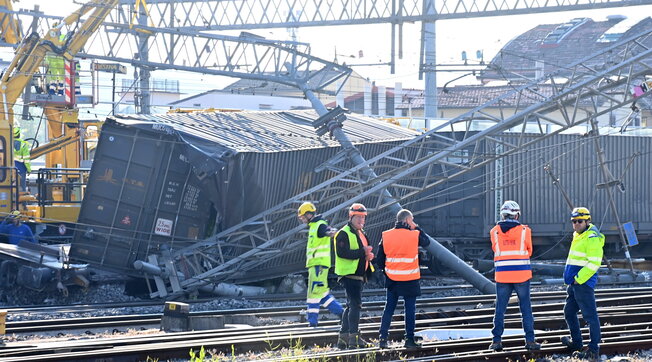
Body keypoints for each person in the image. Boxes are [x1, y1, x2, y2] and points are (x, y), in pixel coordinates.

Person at [489, 200, 541, 352]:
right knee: (525, 309)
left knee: (500, 309)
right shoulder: (525, 231)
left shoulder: (494, 232)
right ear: (517, 214)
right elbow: (529, 251)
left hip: (502, 277)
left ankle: (496, 341)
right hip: (521, 276)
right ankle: (530, 341)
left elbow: (495, 249)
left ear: (503, 214)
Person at [376, 209, 430, 349]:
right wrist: (416, 227)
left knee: (389, 309)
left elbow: (380, 260)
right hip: (410, 279)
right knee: (409, 309)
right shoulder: (414, 235)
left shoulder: (386, 235)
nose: (413, 222)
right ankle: (409, 339)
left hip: (392, 279)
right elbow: (427, 242)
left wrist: (388, 270)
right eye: (411, 220)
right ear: (407, 221)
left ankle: (382, 339)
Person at [561, 207, 604, 361]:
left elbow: (594, 263)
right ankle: (577, 343)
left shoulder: (591, 237)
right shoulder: (578, 235)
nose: (576, 224)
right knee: (569, 312)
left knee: (590, 316)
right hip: (574, 284)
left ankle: (593, 350)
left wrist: (578, 278)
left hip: (582, 284)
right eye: (574, 221)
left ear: (587, 221)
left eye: (580, 221)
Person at [334, 203, 374, 349]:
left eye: (363, 218)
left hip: (358, 276)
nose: (361, 220)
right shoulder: (343, 233)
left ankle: (343, 339)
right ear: (351, 217)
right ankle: (354, 339)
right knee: (356, 306)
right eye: (358, 217)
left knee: (350, 306)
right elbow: (342, 253)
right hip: (349, 275)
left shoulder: (362, 233)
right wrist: (362, 252)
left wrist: (368, 256)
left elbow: (362, 252)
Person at [297, 201, 344, 327]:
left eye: (302, 217)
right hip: (317, 265)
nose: (302, 220)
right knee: (322, 294)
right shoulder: (314, 226)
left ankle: (312, 323)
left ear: (308, 214)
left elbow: (327, 230)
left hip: (319, 266)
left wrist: (332, 232)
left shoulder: (319, 225)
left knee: (313, 294)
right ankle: (342, 314)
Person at [13, 126, 31, 192]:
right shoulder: (23, 145)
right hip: (21, 168)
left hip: (9, 168)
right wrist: (29, 169)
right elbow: (26, 160)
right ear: (19, 134)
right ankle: (23, 201)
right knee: (22, 186)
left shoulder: (6, 143)